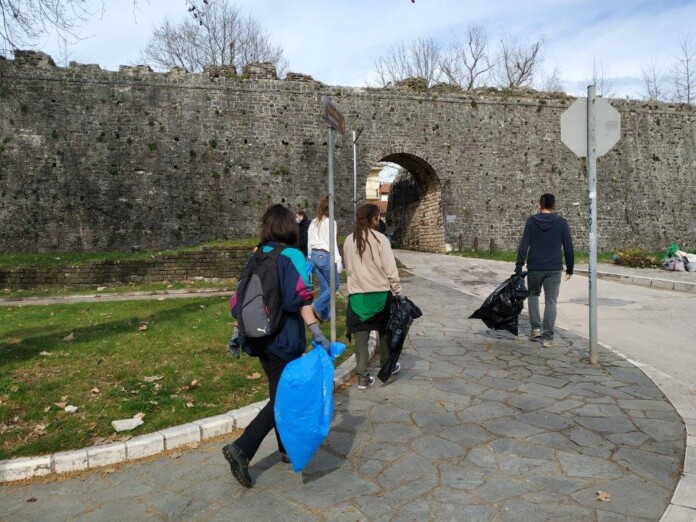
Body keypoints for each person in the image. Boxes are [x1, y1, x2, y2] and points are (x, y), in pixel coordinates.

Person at [223, 204, 331, 489]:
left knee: (277, 390)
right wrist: (316, 331)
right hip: (284, 338)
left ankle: (285, 448)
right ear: (289, 227)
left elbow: (238, 300)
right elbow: (300, 299)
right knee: (284, 397)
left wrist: (237, 332)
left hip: (258, 338)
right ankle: (242, 448)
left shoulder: (257, 254)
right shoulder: (292, 255)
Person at [343, 203, 402, 389]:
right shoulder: (380, 239)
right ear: (374, 219)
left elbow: (348, 268)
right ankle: (386, 366)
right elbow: (390, 268)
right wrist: (398, 290)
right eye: (378, 219)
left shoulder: (349, 240)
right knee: (384, 332)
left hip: (358, 296)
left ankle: (362, 377)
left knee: (361, 336)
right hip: (380, 294)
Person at [514, 193, 574, 348]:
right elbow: (568, 247)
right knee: (551, 302)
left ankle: (535, 329)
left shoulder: (531, 221)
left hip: (535, 267)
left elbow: (524, 244)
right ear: (554, 205)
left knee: (533, 296)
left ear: (539, 205)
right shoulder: (562, 223)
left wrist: (519, 265)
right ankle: (548, 338)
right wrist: (570, 268)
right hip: (554, 268)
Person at [307, 196, 342, 322]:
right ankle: (316, 306)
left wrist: (310, 257)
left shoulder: (313, 222)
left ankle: (324, 315)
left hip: (313, 256)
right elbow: (332, 243)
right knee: (334, 285)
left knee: (325, 286)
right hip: (325, 255)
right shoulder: (331, 222)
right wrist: (338, 260)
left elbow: (309, 241)